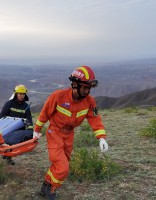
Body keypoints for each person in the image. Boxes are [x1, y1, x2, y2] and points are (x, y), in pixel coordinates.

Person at [33, 66, 109, 200]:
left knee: (61, 164)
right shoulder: (58, 96)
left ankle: (45, 184)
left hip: (69, 135)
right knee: (63, 168)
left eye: (89, 88)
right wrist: (36, 131)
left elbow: (95, 118)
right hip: (54, 133)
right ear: (74, 84)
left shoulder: (89, 101)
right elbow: (44, 114)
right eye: (85, 87)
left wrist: (101, 138)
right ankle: (51, 189)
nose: (87, 91)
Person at [0, 84, 34, 165]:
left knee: (14, 142)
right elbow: (2, 117)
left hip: (19, 129)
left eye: (23, 94)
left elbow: (29, 118)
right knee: (6, 142)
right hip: (8, 128)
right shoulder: (9, 104)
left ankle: (8, 156)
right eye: (20, 94)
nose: (22, 96)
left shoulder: (26, 106)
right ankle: (6, 155)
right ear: (16, 94)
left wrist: (31, 130)